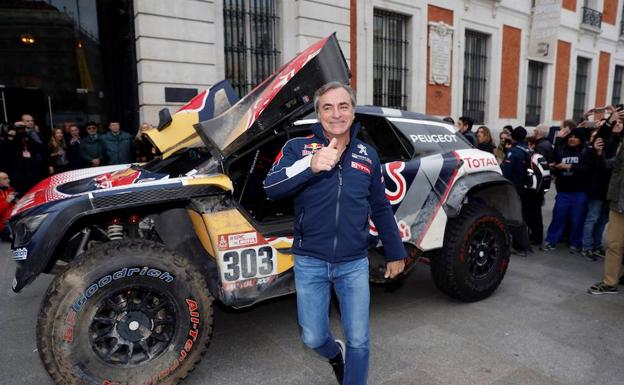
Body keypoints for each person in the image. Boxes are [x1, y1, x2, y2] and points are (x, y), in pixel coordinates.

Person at [263, 82, 406, 385]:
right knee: (313, 337)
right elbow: (271, 188)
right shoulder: (297, 148)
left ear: (353, 112)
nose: (336, 113)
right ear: (318, 114)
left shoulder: (368, 154)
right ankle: (333, 353)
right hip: (310, 260)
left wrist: (395, 252)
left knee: (359, 339)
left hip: (354, 261)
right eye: (327, 107)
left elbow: (380, 207)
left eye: (343, 106)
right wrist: (310, 166)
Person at [588, 112, 624, 293]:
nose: (619, 124)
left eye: (622, 121)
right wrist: (600, 153)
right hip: (618, 201)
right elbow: (607, 166)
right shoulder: (619, 146)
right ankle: (610, 282)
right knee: (613, 243)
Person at [542, 128, 592, 252]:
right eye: (570, 136)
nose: (572, 139)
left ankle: (575, 242)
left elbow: (588, 169)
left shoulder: (586, 151)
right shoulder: (562, 150)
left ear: (581, 139)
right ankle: (551, 241)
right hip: (563, 191)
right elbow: (555, 164)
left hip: (580, 192)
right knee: (558, 217)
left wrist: (571, 166)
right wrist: (553, 167)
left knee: (577, 220)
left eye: (575, 137)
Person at [501, 126, 533, 252]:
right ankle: (522, 243)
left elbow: (506, 172)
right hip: (525, 187)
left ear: (513, 137)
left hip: (514, 187)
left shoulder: (513, 152)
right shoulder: (527, 149)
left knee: (513, 216)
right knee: (521, 214)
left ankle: (518, 244)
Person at [0, 171, 17, 241]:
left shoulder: (10, 189)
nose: (8, 180)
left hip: (10, 219)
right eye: (5, 179)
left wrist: (16, 202)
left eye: (8, 178)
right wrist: (7, 201)